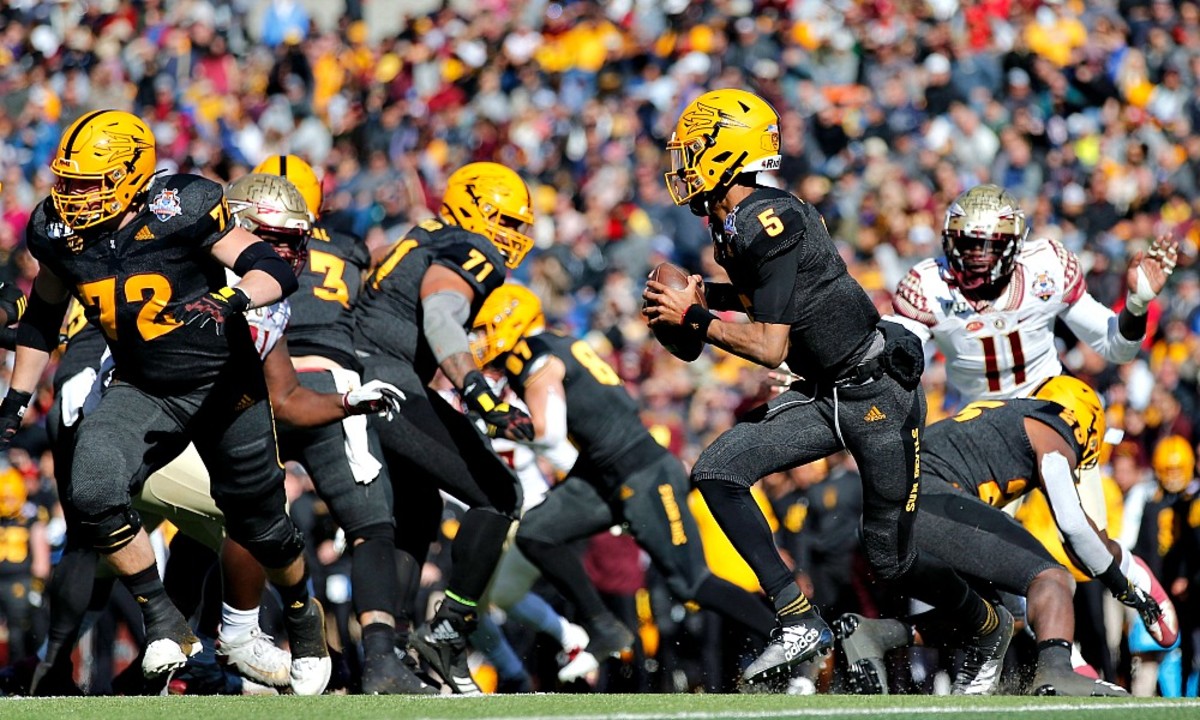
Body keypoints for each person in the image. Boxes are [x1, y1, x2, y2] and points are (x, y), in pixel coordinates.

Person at [642, 88, 1012, 694]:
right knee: (716, 470)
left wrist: (695, 318)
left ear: (726, 152)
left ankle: (987, 623)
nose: (683, 164)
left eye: (695, 150)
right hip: (827, 395)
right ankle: (795, 619)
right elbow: (771, 301)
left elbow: (769, 345)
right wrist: (702, 296)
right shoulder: (734, 222)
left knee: (891, 559)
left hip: (877, 398)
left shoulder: (771, 219)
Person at [0, 110, 328, 693]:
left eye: (87, 182)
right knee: (93, 485)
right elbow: (44, 317)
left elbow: (270, 266)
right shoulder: (55, 229)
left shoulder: (183, 203)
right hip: (143, 387)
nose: (71, 195)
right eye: (67, 181)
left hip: (225, 384)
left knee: (263, 528)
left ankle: (304, 612)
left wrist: (230, 302)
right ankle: (165, 623)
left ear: (131, 175)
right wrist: (16, 398)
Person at [470, 284, 777, 671]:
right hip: (605, 472)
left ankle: (783, 632)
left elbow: (547, 434)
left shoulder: (535, 354)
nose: (478, 339)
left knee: (690, 582)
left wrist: (497, 426)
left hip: (642, 471)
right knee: (536, 532)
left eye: (483, 329)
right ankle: (604, 628)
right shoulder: (551, 344)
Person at [842, 376, 1168, 696]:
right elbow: (1073, 525)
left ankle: (877, 635)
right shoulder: (1053, 425)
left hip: (886, 514)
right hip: (927, 501)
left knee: (996, 619)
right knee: (1052, 578)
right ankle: (1057, 672)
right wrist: (1121, 586)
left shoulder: (1003, 420)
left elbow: (1075, 535)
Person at [351, 161, 536, 695]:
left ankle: (390, 652)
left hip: (363, 374)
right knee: (500, 494)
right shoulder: (467, 247)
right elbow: (439, 313)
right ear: (472, 208)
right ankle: (448, 633)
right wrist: (477, 389)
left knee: (418, 509)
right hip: (386, 381)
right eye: (504, 220)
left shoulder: (419, 236)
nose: (512, 235)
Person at [244, 160, 429, 694]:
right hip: (328, 382)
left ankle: (201, 648)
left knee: (223, 522)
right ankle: (380, 659)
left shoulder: (235, 239)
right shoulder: (347, 247)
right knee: (370, 524)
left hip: (257, 381)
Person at [891, 183, 1178, 401]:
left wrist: (1138, 303)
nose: (976, 257)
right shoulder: (927, 284)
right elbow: (893, 356)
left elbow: (1117, 347)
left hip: (1049, 401)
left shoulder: (1046, 266)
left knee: (1074, 410)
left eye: (988, 246)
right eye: (967, 244)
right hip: (978, 421)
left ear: (1015, 245)